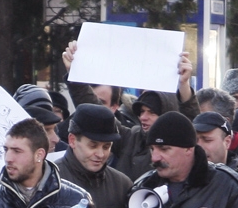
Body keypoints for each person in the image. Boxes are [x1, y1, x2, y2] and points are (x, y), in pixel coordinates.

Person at [61, 40, 199, 180]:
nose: (143, 117)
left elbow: (191, 125)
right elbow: (96, 112)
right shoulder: (131, 138)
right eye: (142, 111)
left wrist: (184, 84)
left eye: (152, 112)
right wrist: (75, 73)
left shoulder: (182, 142)